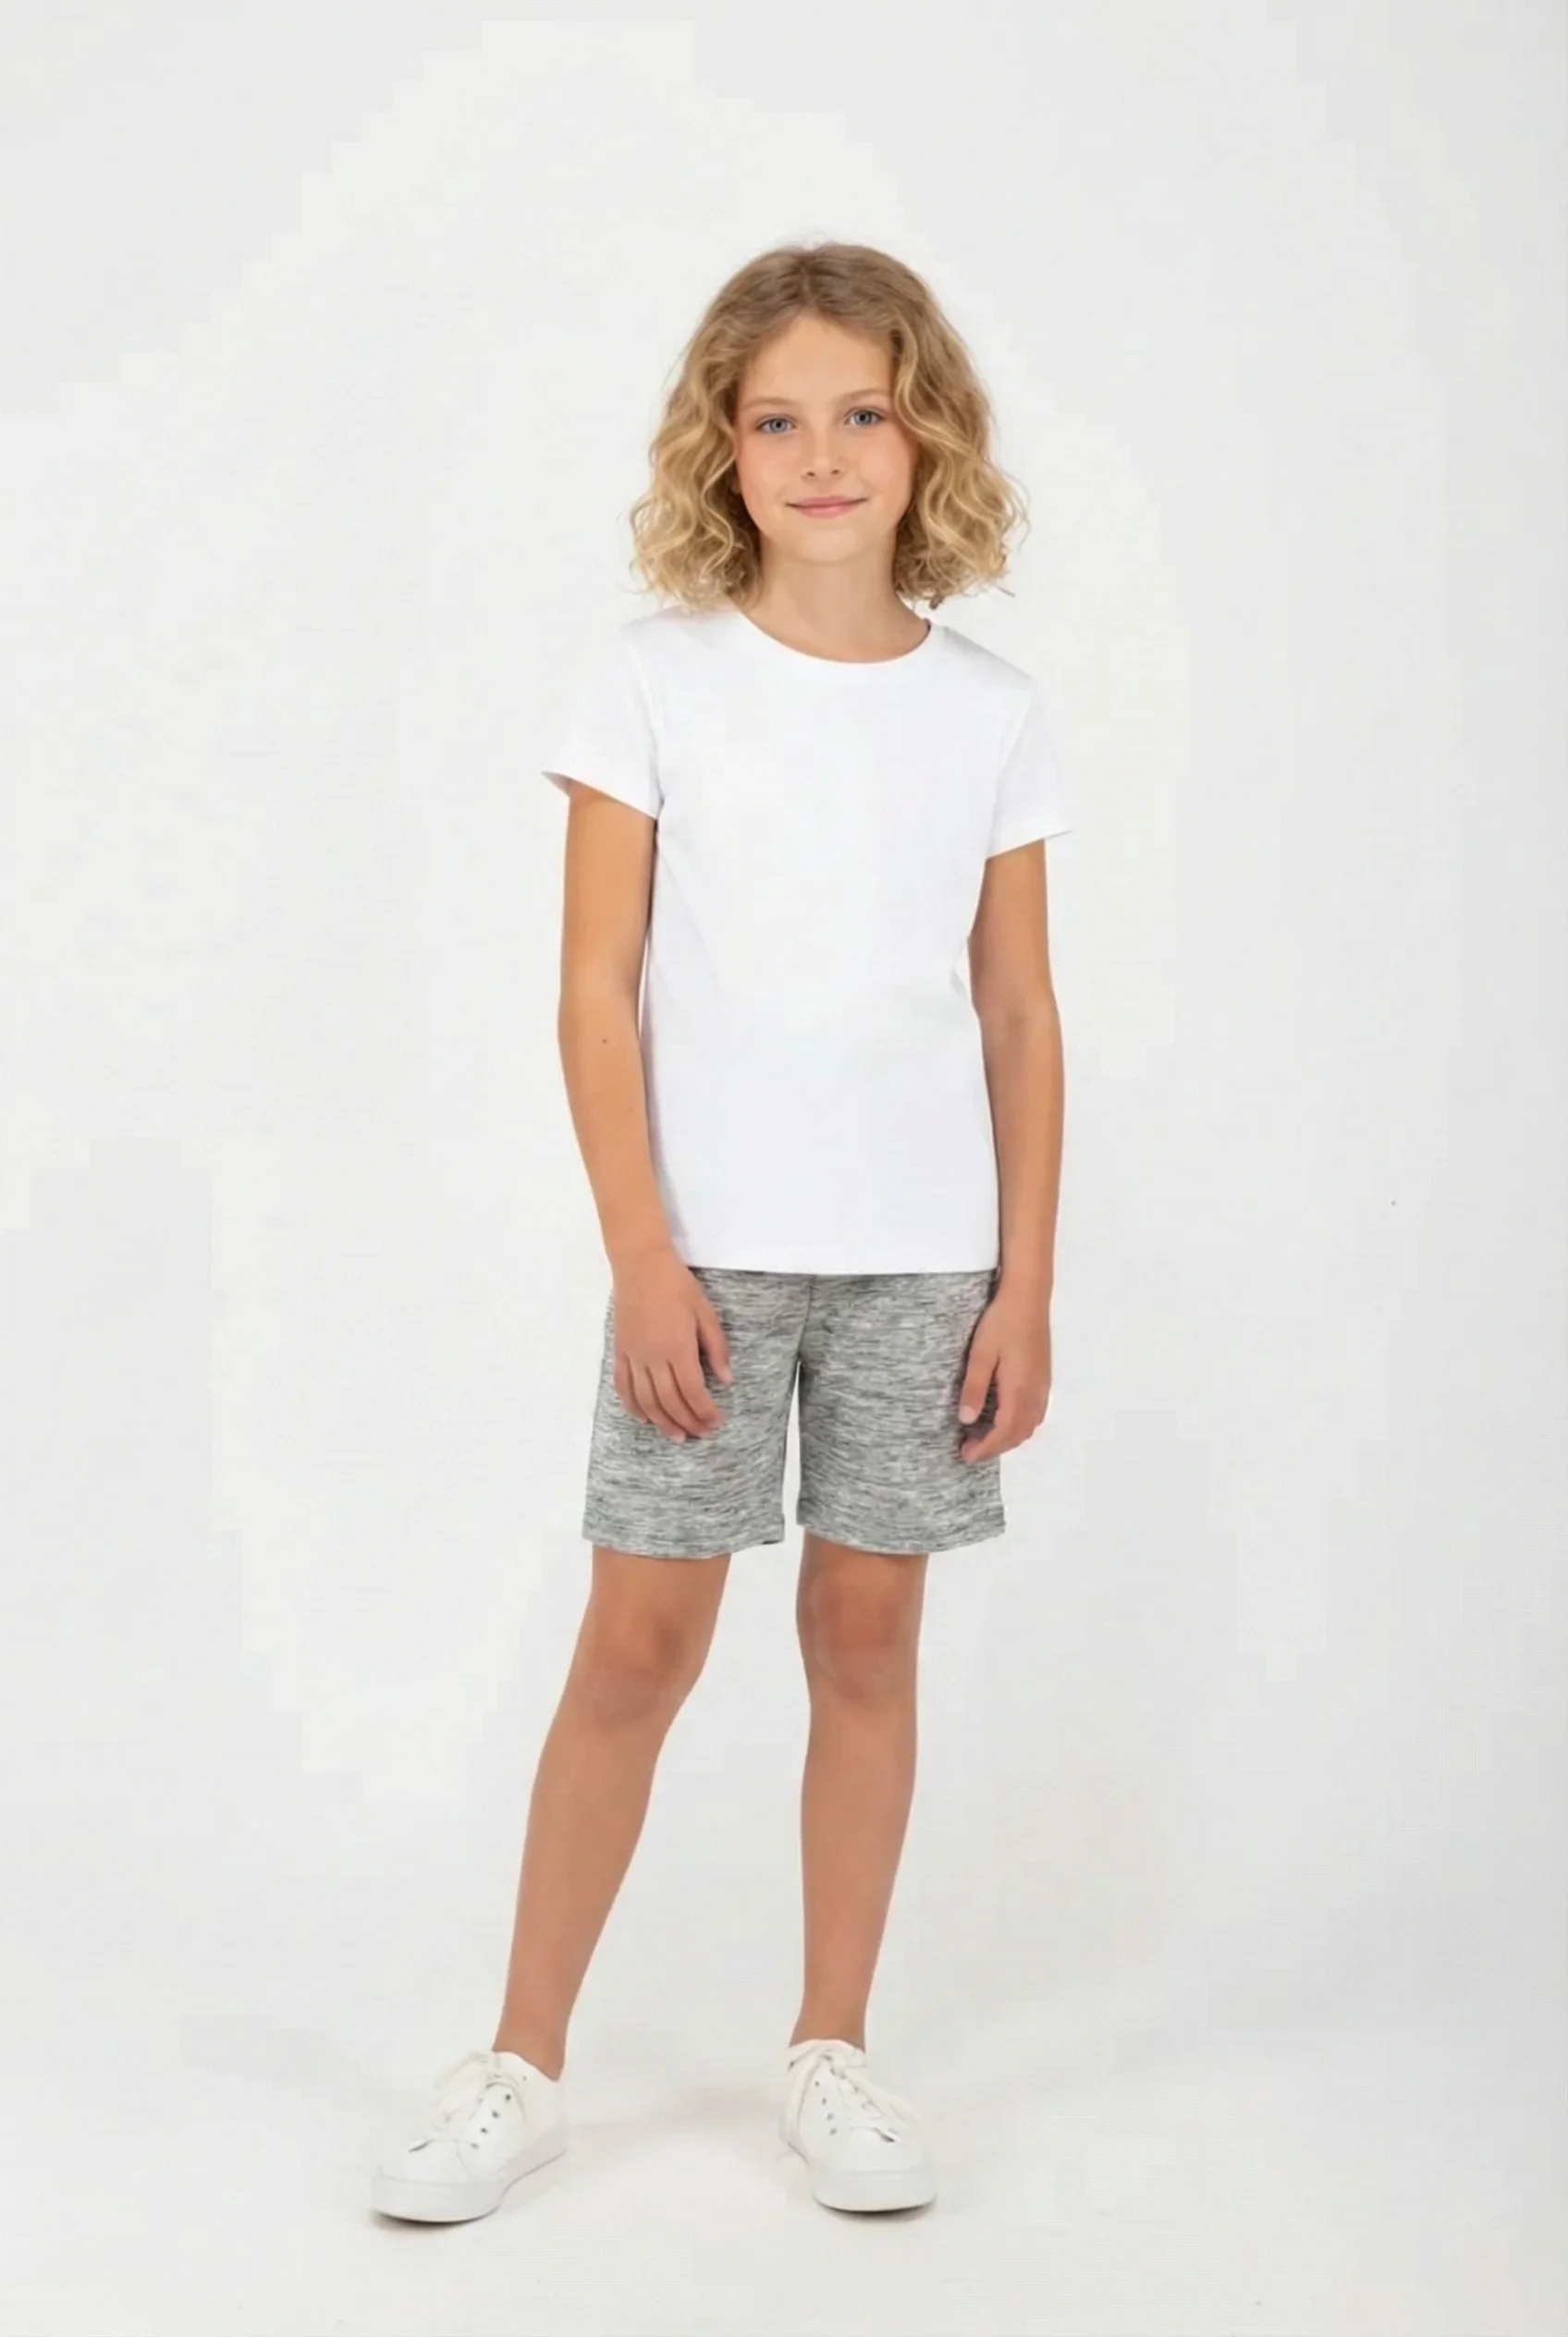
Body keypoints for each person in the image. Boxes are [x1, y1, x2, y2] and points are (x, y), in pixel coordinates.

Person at [370, 239, 1072, 2225]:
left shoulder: (988, 710)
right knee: (639, 1639)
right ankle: (520, 2062)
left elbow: (1018, 1014)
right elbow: (593, 990)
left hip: (922, 1260)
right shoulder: (654, 682)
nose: (822, 454)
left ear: (923, 434)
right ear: (724, 447)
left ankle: (830, 2047)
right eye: (778, 420)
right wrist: (641, 1255)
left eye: (861, 412)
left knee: (866, 1633)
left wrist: (1025, 1281)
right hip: (704, 1256)